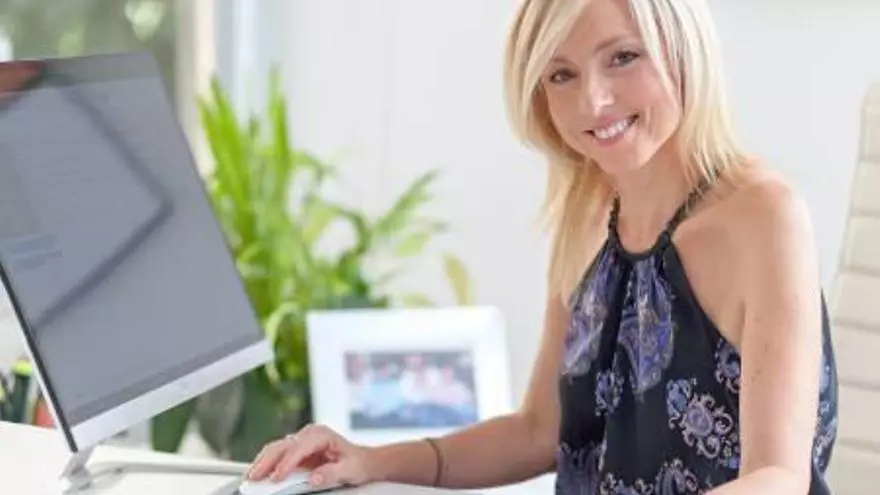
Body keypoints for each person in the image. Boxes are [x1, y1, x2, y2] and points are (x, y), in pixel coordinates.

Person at [244, 0, 839, 493]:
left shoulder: (764, 216)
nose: (593, 101)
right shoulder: (587, 213)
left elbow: (777, 478)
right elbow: (537, 432)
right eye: (561, 75)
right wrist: (371, 460)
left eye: (623, 57)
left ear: (683, 49)